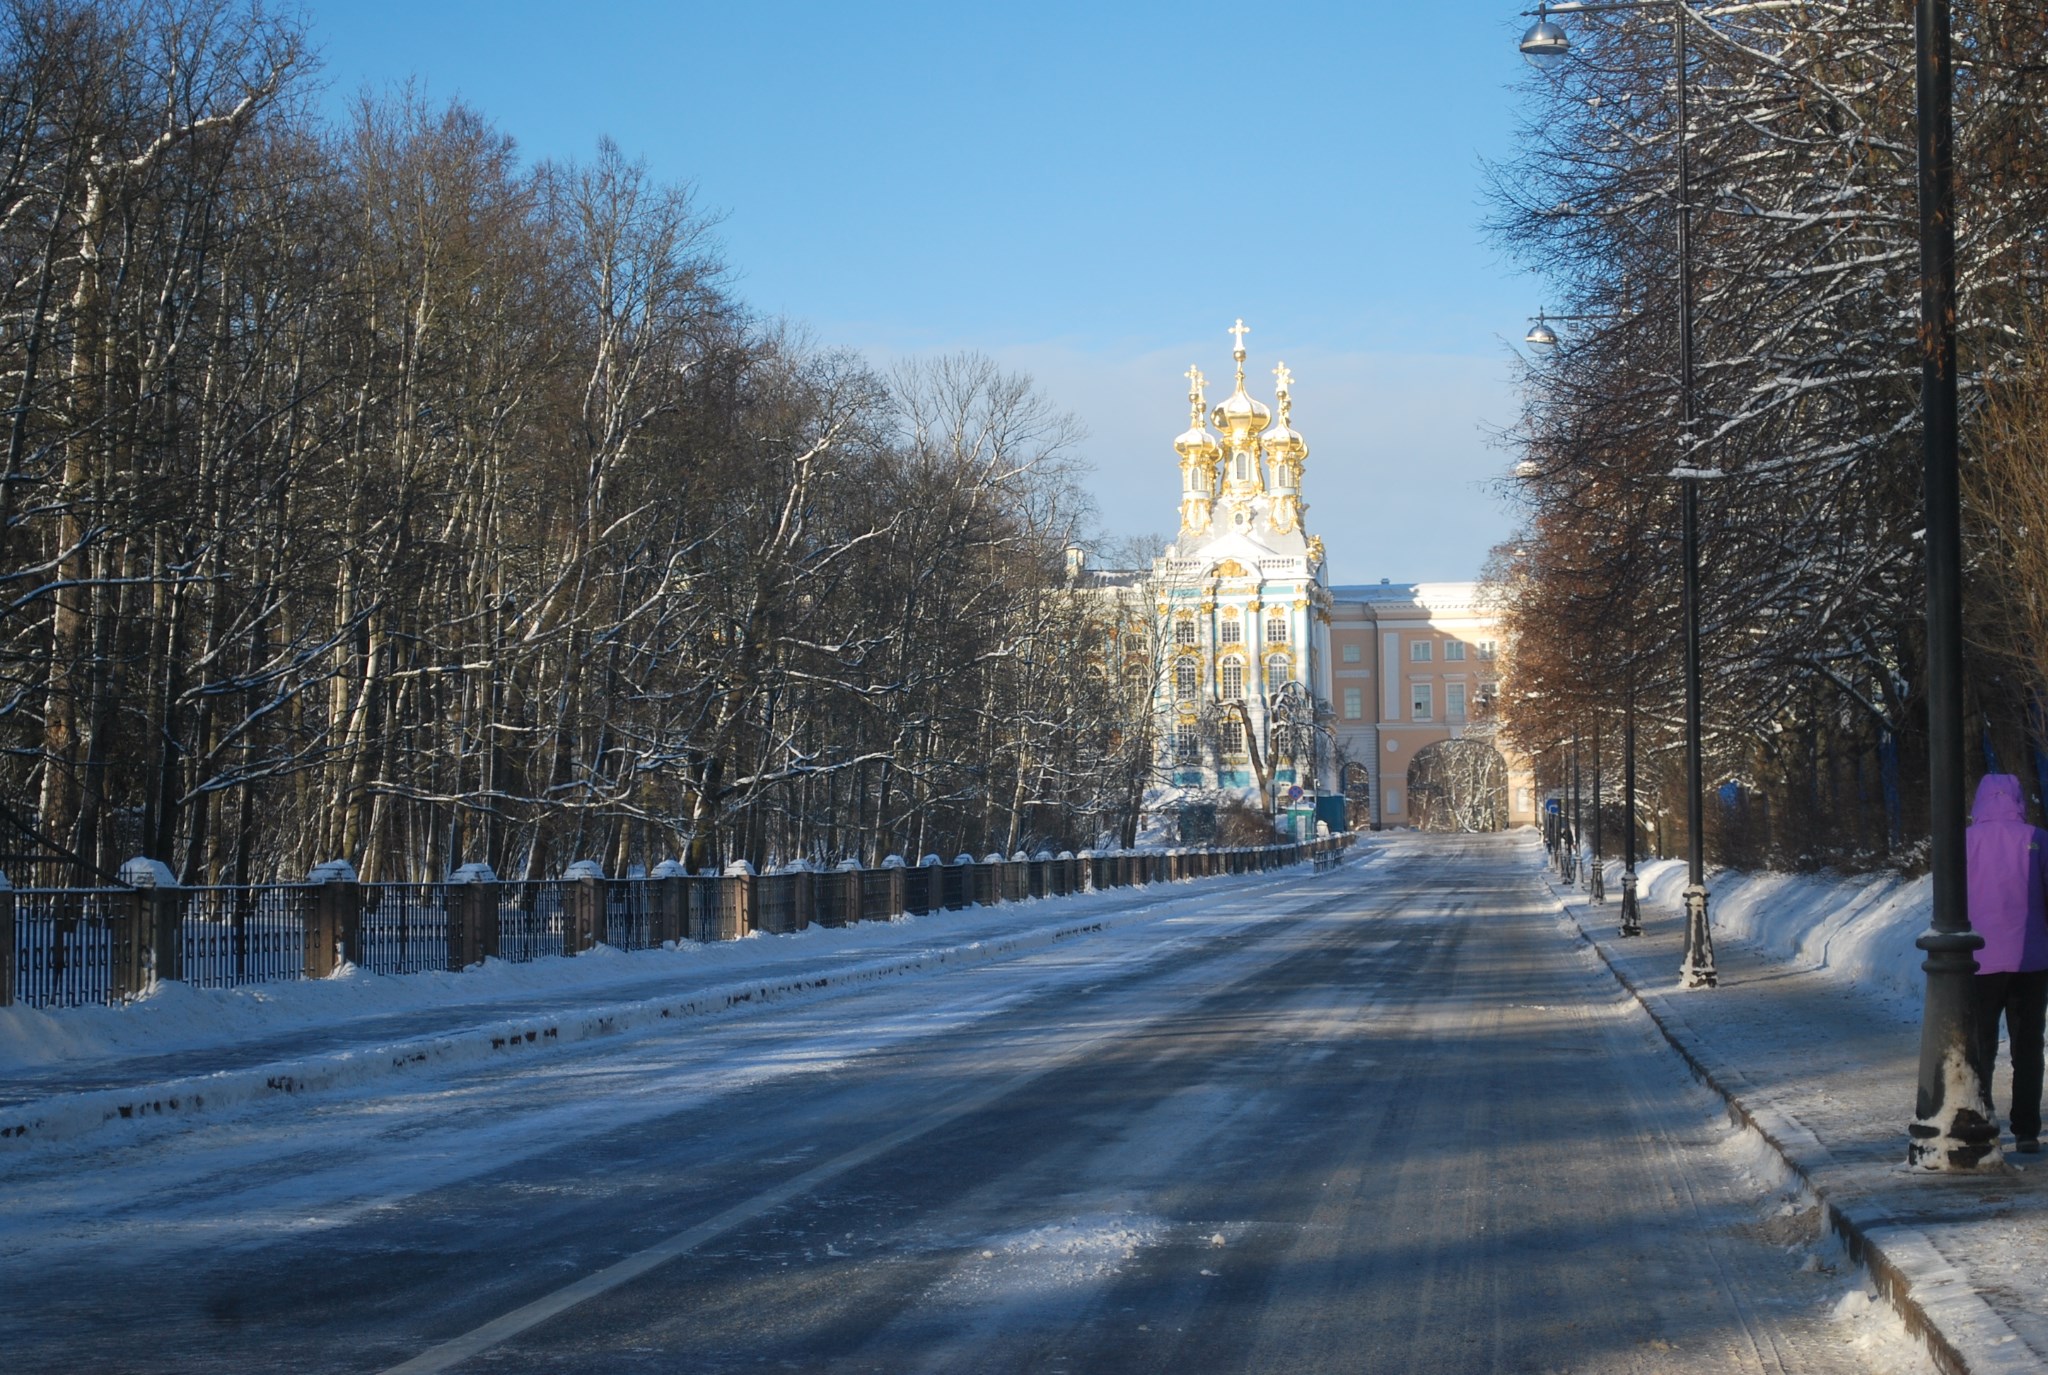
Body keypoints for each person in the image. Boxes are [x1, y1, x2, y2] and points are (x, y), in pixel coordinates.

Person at [1966, 773, 2048, 1153]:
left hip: (1978, 961)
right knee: (2028, 1046)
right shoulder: (2038, 839)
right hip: (2030, 959)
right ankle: (2028, 1129)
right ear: (2018, 798)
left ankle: (1981, 1119)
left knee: (1980, 1045)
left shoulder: (1964, 842)